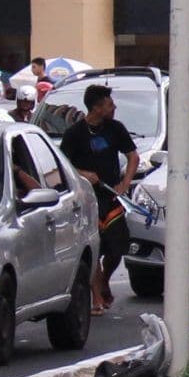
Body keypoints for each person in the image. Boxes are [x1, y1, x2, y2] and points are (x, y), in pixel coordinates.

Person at [58, 82, 139, 314]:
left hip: (111, 198)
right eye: (109, 104)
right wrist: (84, 174)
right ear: (96, 107)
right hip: (85, 201)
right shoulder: (74, 134)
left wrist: (124, 184)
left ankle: (104, 280)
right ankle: (96, 300)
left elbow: (132, 156)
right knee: (93, 246)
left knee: (117, 246)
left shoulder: (116, 129)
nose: (114, 107)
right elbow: (62, 166)